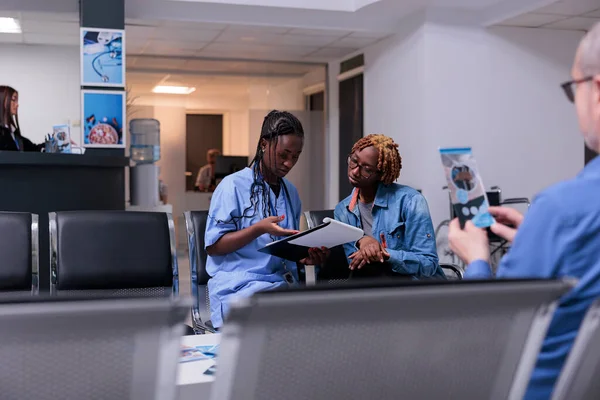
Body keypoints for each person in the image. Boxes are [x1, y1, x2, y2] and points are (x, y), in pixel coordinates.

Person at [448, 22, 600, 399]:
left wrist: (477, 260)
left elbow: (487, 341)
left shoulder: (562, 209)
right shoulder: (559, 218)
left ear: (596, 90)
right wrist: (538, 236)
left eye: (573, 88)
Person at [205, 110, 329, 328]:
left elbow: (283, 251)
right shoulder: (232, 186)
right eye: (284, 154)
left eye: (296, 156)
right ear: (264, 144)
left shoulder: (291, 192)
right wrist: (257, 229)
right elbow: (214, 246)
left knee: (326, 319)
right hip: (239, 288)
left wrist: (306, 256)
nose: (289, 163)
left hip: (280, 287)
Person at [334, 134, 444, 279]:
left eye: (366, 169)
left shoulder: (411, 201)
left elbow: (428, 264)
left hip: (416, 289)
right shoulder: (343, 210)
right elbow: (354, 262)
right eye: (353, 161)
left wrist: (385, 253)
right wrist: (363, 241)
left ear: (381, 174)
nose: (354, 171)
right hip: (376, 289)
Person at [0, 86, 43, 152]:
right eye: (14, 100)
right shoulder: (4, 134)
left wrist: (53, 141)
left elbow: (33, 149)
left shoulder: (14, 134)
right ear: (2, 100)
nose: (17, 104)